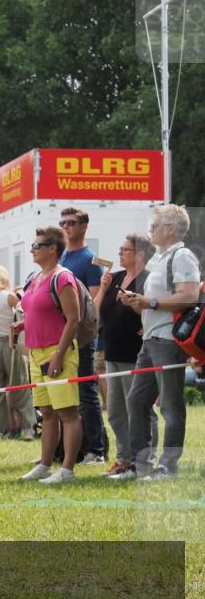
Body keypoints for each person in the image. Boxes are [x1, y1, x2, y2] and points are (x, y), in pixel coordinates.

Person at [119, 204, 201, 480]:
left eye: (155, 225)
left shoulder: (182, 256)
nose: (151, 229)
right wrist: (136, 303)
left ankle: (168, 467)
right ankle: (140, 465)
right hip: (151, 339)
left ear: (170, 228)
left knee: (170, 404)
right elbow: (151, 305)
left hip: (168, 341)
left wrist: (149, 301)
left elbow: (189, 296)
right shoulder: (160, 259)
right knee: (137, 399)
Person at [18, 226, 83, 484]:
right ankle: (45, 465)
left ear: (53, 249)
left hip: (58, 352)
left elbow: (74, 319)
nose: (32, 250)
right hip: (34, 352)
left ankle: (67, 469)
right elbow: (38, 311)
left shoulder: (63, 277)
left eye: (37, 246)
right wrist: (22, 325)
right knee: (47, 412)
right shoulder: (36, 277)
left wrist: (58, 354)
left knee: (67, 413)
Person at [94, 234, 154, 479]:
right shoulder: (116, 278)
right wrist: (104, 287)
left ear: (140, 254)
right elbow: (96, 310)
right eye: (119, 249)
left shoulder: (149, 279)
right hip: (113, 350)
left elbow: (154, 310)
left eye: (125, 250)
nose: (120, 253)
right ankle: (123, 458)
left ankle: (143, 459)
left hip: (136, 353)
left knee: (138, 408)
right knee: (116, 409)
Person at [58, 207, 107, 463]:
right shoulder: (63, 256)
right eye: (63, 222)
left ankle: (95, 449)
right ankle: (67, 450)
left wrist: (83, 331)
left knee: (87, 391)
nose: (66, 226)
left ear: (84, 226)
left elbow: (94, 300)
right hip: (62, 334)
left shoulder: (90, 259)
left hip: (83, 334)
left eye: (72, 222)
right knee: (65, 393)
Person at [0, 265, 35, 439]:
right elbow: (24, 312)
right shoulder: (9, 296)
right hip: (10, 342)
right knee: (20, 385)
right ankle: (29, 426)